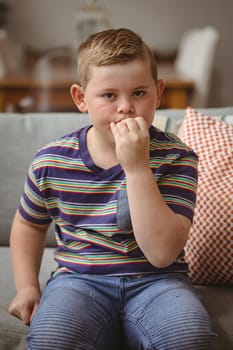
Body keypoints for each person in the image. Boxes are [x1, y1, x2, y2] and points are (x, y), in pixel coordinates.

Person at [9, 28, 216, 350]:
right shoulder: (52, 160)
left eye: (139, 93)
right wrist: (26, 287)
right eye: (109, 95)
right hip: (78, 280)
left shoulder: (177, 157)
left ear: (158, 94)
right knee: (52, 339)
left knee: (190, 337)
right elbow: (28, 225)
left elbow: (161, 254)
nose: (126, 107)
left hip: (158, 281)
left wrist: (137, 167)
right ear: (80, 98)